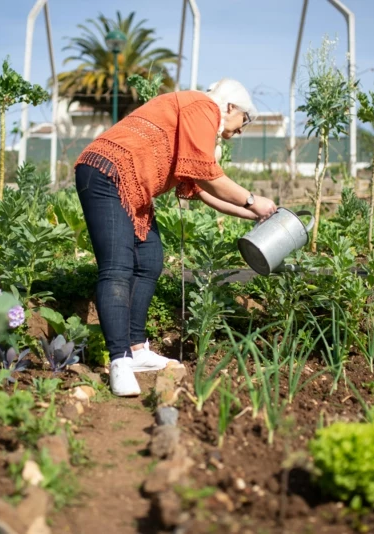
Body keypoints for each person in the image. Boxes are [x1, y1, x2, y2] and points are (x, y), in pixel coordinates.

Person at [74, 79, 278, 396]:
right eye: (245, 121)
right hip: (106, 173)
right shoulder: (203, 106)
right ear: (230, 107)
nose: (240, 131)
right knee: (117, 266)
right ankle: (119, 361)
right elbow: (207, 175)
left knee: (150, 259)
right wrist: (252, 199)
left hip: (130, 187)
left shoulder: (196, 124)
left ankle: (137, 349)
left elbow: (202, 189)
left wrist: (252, 213)